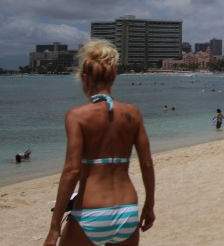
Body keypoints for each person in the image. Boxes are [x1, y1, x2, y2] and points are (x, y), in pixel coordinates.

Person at [44, 39, 155, 246]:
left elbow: (71, 171)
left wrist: (54, 226)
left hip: (90, 209)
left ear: (85, 78)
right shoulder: (133, 114)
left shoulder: (77, 116)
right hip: (127, 209)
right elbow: (147, 164)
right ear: (113, 76)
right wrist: (149, 204)